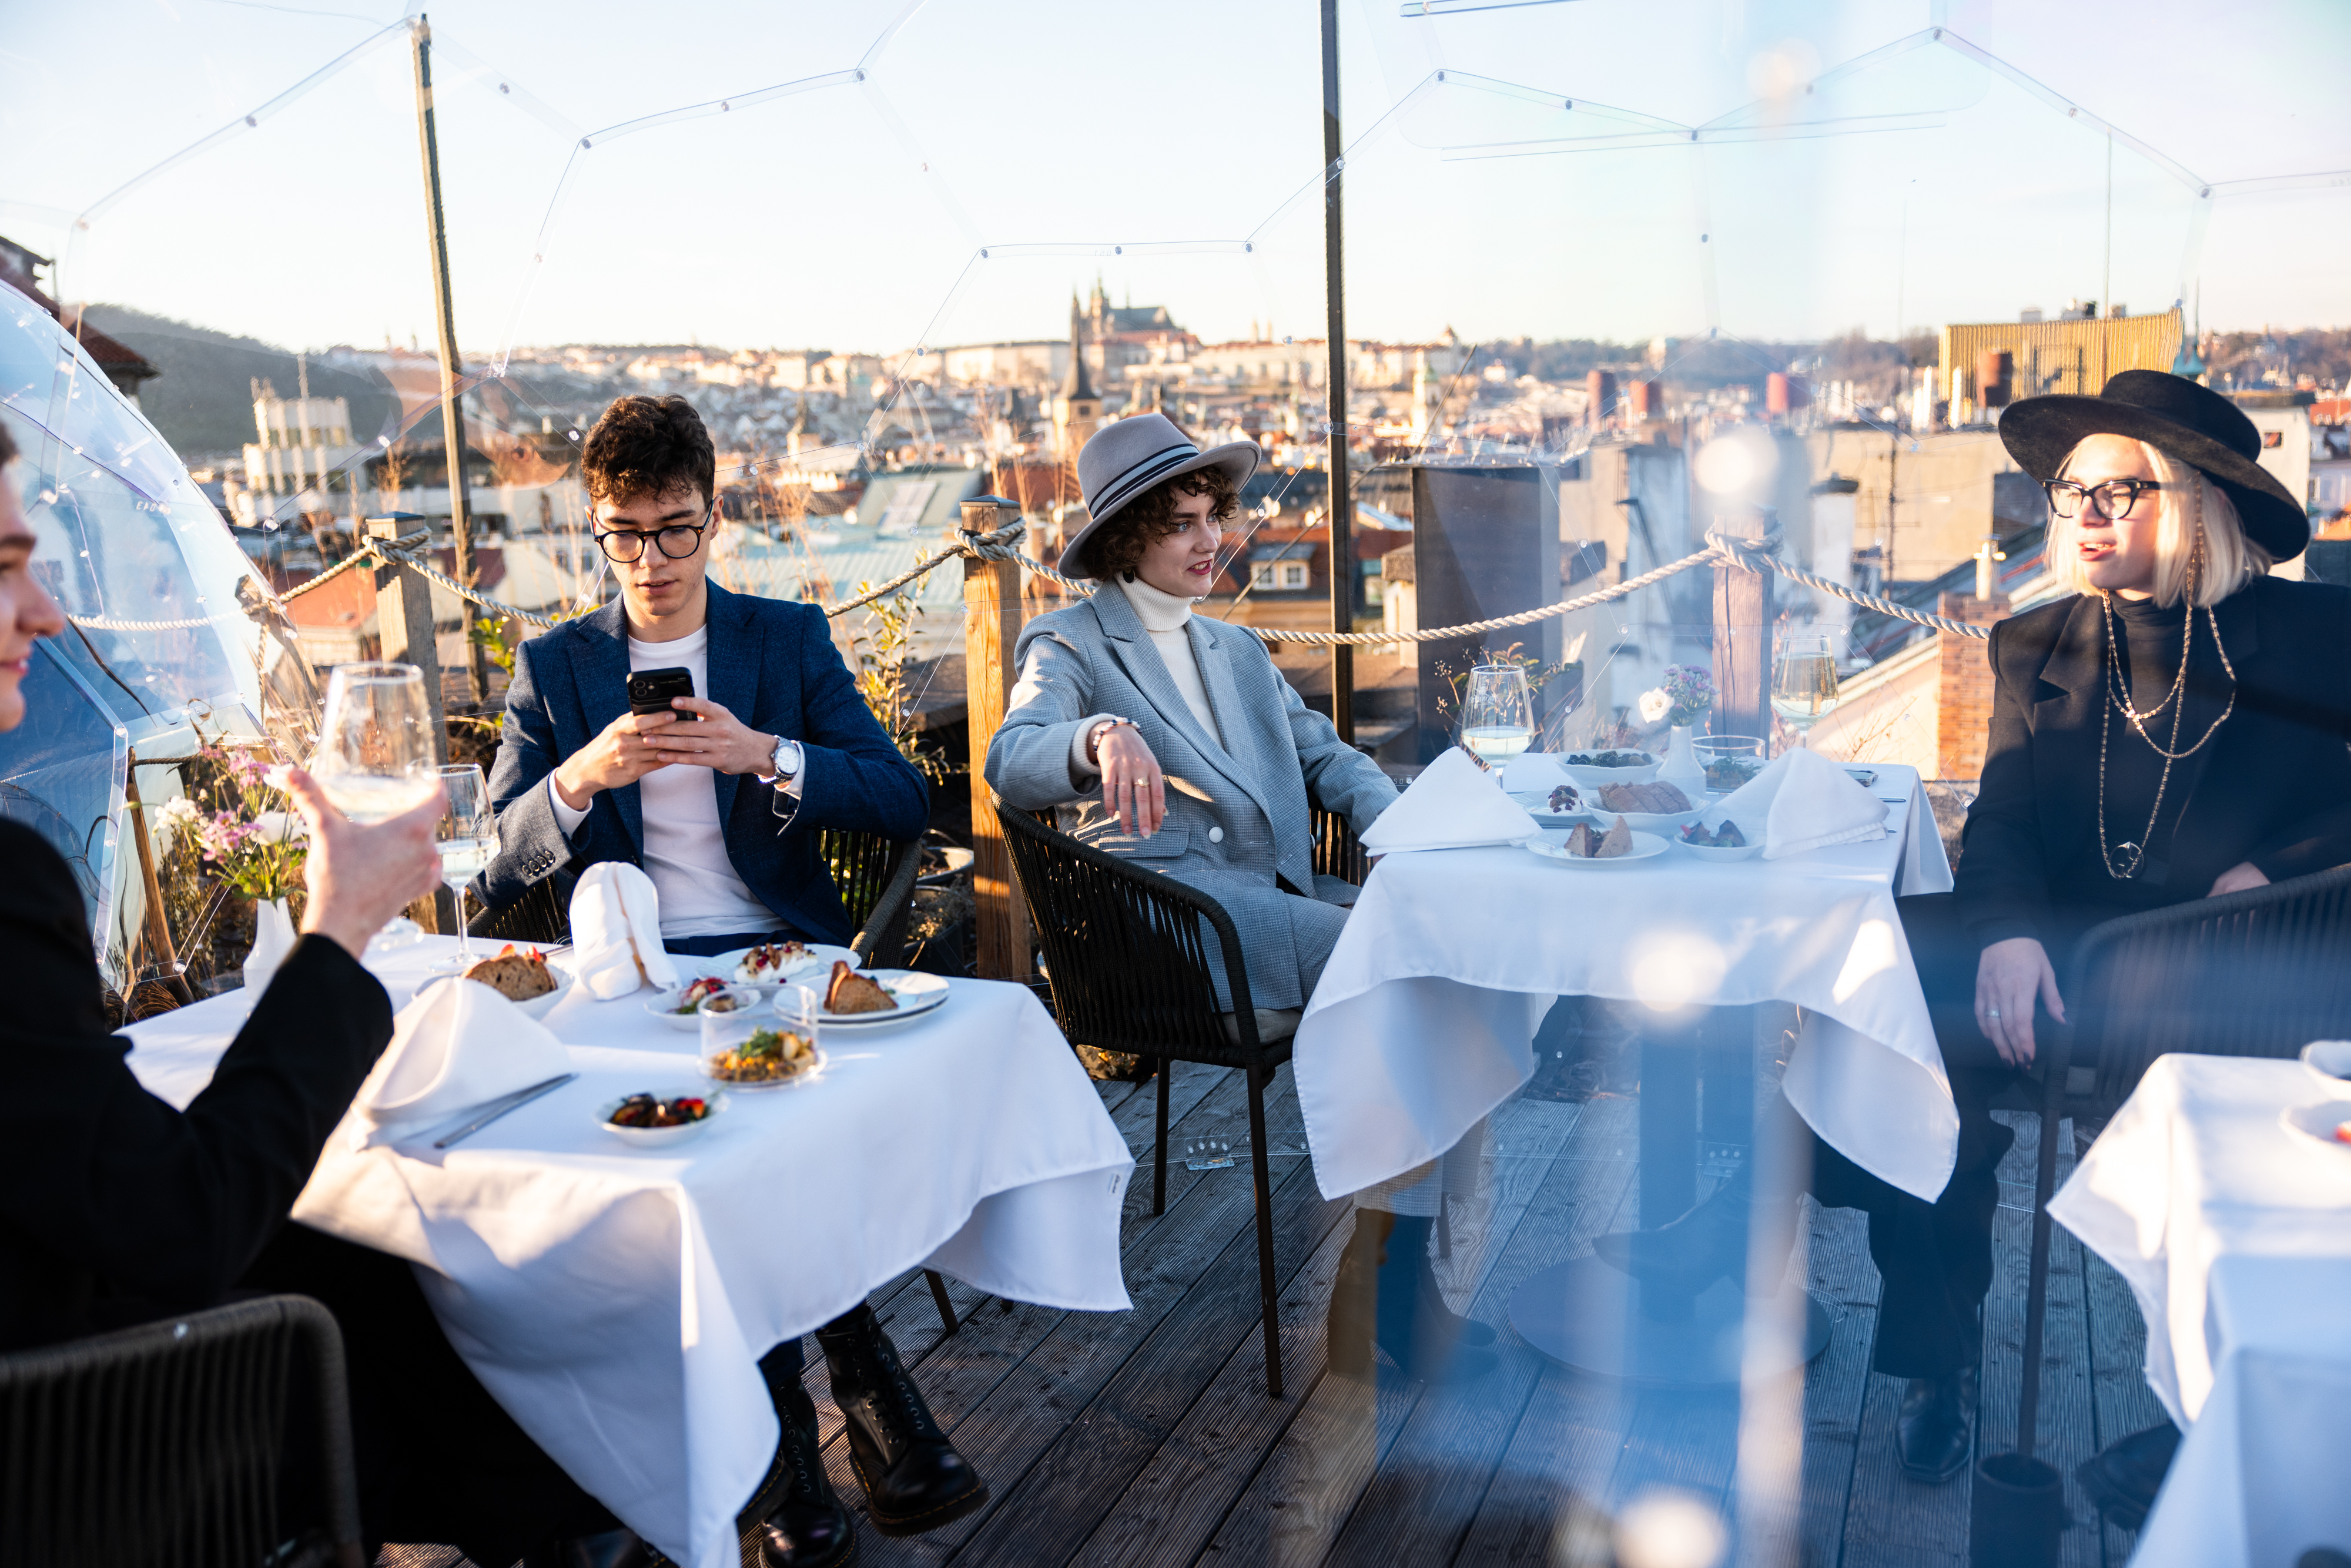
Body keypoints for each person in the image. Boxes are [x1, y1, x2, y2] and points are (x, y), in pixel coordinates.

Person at [1592, 370, 2347, 1493]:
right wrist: (2001, 931)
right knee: (1886, 975)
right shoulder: (2036, 642)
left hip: (2236, 969)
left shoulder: (2323, 632)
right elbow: (2001, 819)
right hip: (2066, 948)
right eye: (2068, 491)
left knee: (1926, 1031)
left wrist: (2274, 867)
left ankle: (1746, 1208)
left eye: (2116, 491)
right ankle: (1935, 1366)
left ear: (2191, 499)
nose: (2082, 515)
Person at [480, 394, 980, 1555]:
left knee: (748, 1140)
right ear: (590, 532)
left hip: (777, 953)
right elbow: (490, 863)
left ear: (715, 519)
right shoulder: (556, 668)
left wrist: (769, 754)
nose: (651, 560)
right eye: (624, 534)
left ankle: (786, 1460)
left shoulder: (781, 639)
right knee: (736, 1146)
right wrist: (580, 777)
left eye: (675, 529)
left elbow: (901, 793)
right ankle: (858, 1398)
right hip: (636, 977)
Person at [984, 414, 1493, 1383]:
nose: (1210, 539)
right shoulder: (1070, 642)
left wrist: (1394, 835)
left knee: (1446, 956)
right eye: (1181, 524)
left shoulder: (1237, 651)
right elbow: (1011, 759)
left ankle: (1394, 1265)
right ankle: (1388, 1281)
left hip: (1261, 909)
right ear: (1129, 537)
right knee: (1426, 974)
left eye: (1211, 515)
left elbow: (1333, 759)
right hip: (1173, 934)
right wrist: (1097, 738)